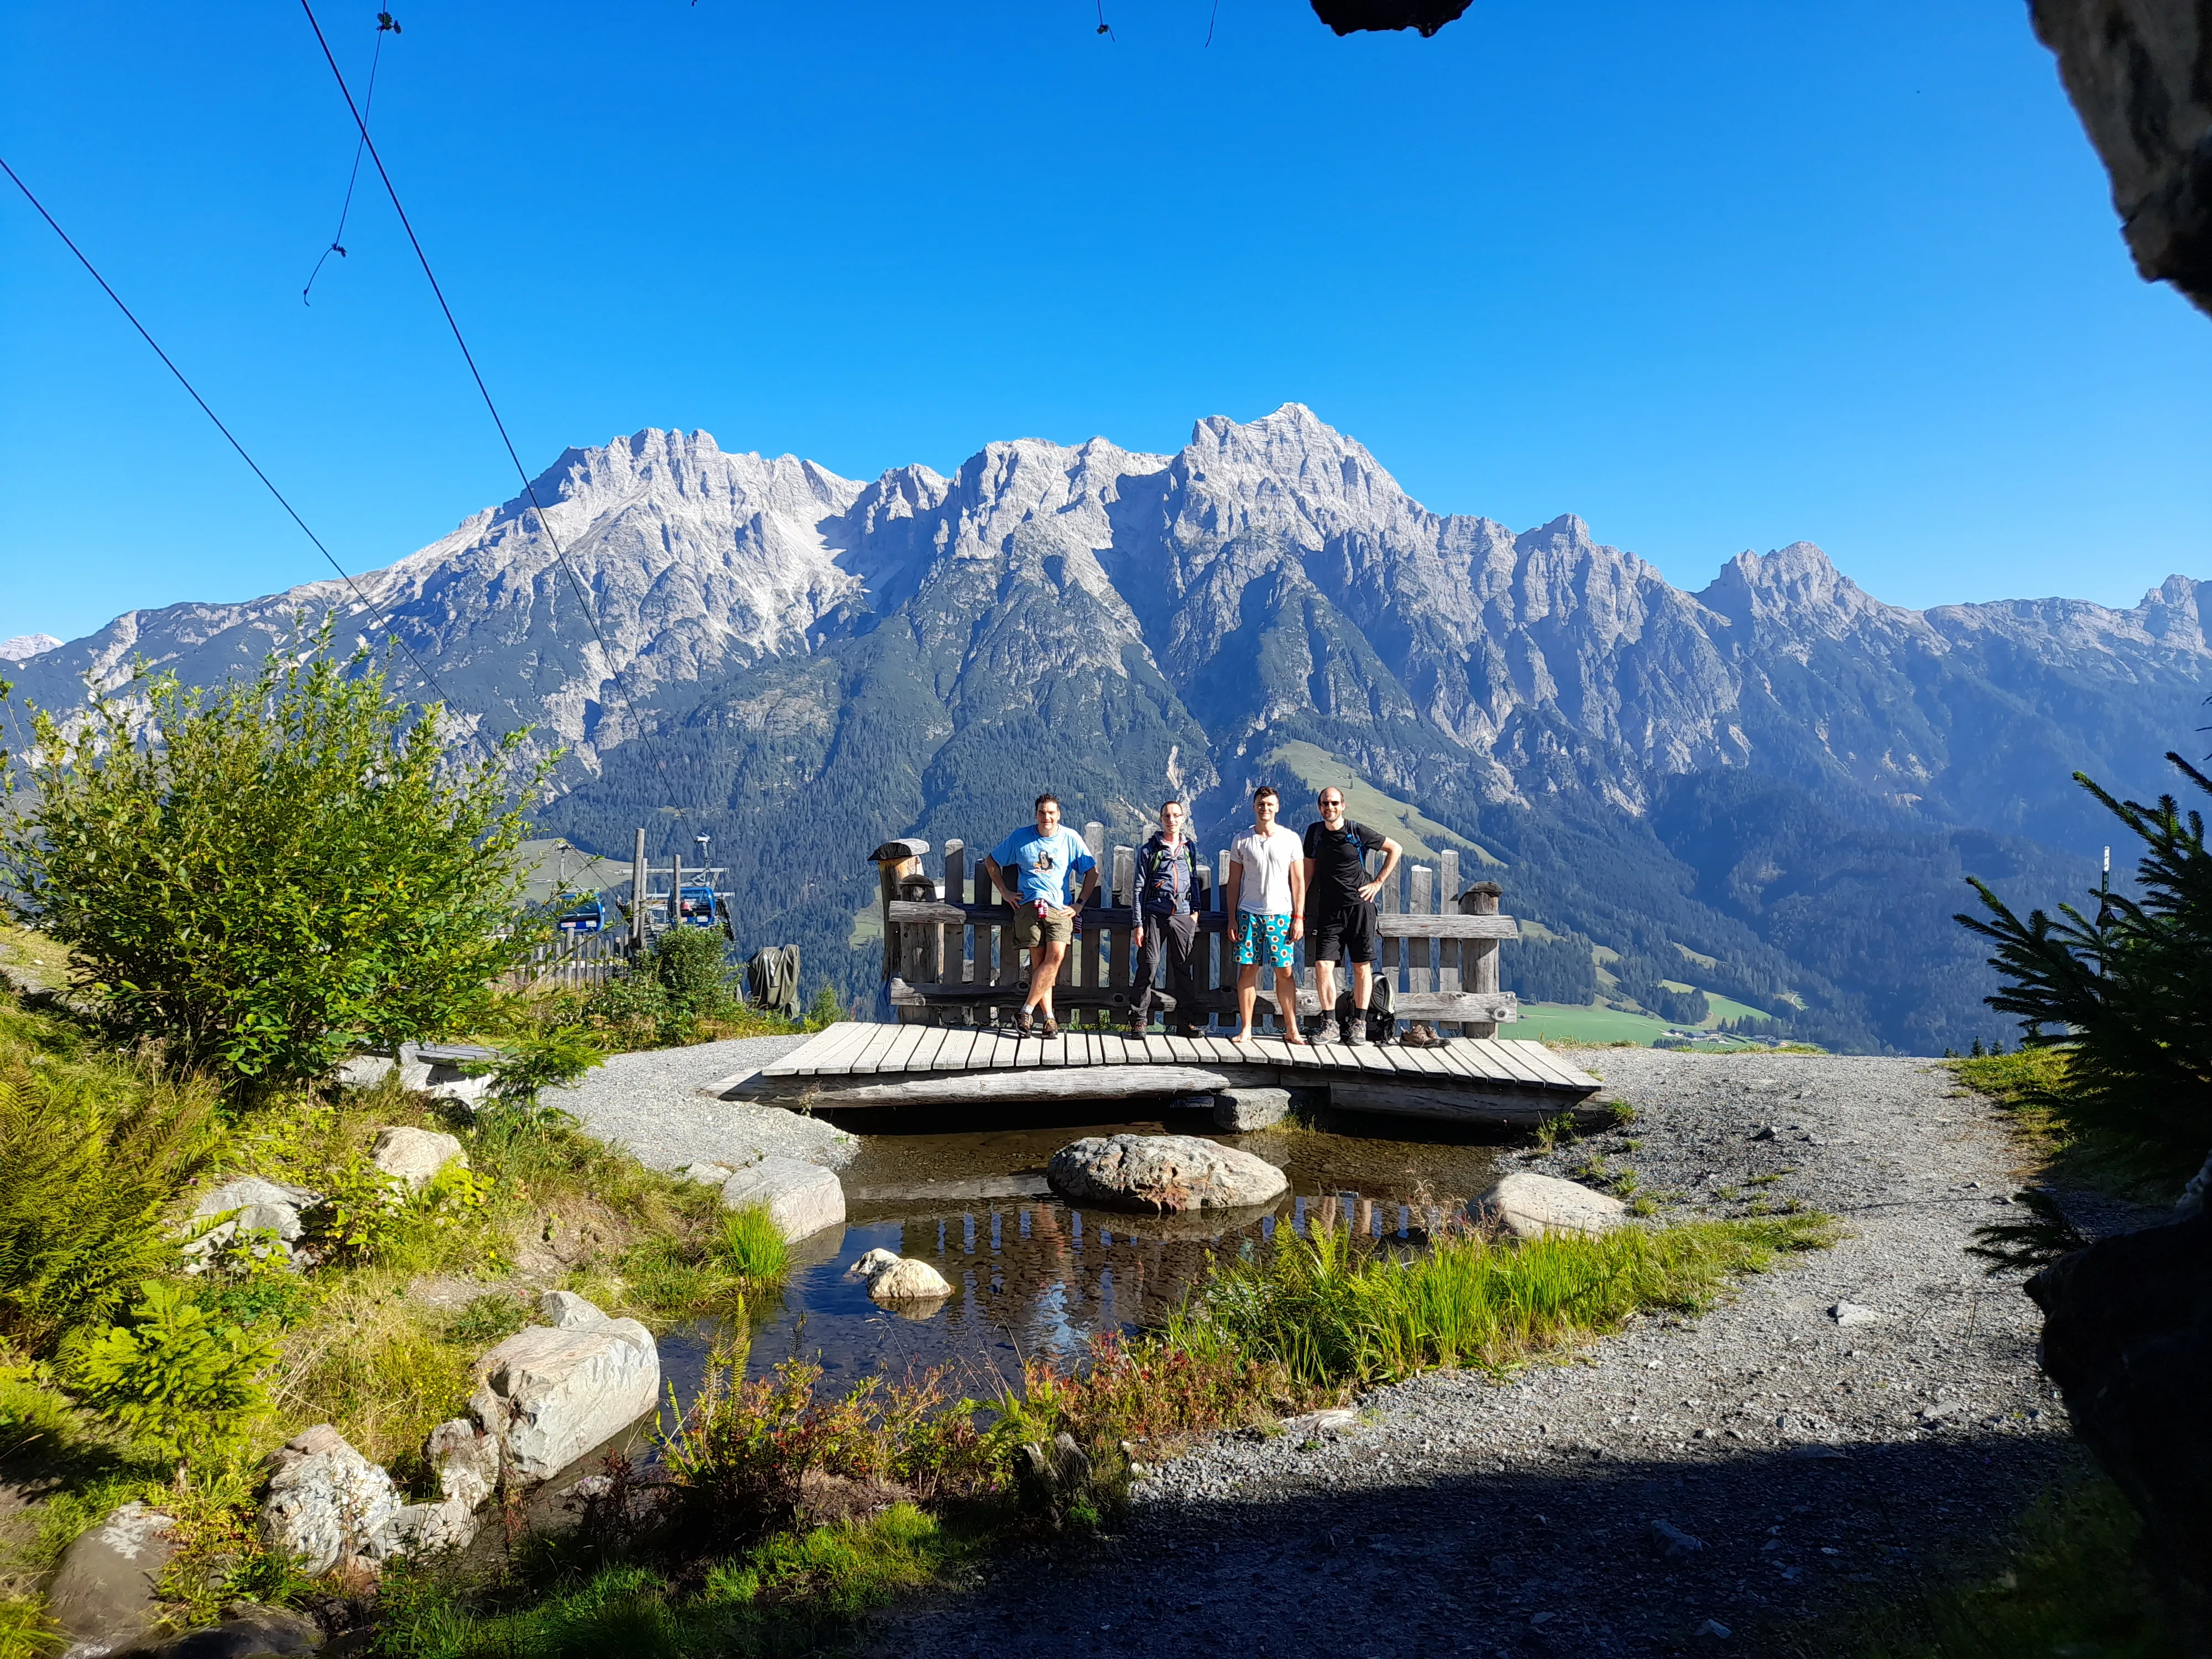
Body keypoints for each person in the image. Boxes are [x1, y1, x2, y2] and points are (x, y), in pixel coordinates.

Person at [982, 794, 1098, 1037]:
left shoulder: (1070, 838)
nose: (1047, 817)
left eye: (1051, 812)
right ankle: (1049, 1019)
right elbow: (991, 861)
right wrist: (1004, 891)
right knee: (1040, 965)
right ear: (1036, 815)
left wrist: (1079, 905)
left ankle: (1025, 1010)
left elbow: (1092, 872)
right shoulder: (1020, 838)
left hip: (1059, 909)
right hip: (1029, 907)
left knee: (1054, 959)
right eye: (1042, 813)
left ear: (1059, 815)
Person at [1302, 787, 1401, 1045]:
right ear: (1319, 806)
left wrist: (1378, 883)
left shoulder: (1358, 832)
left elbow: (1395, 849)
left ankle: (1359, 1024)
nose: (1330, 807)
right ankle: (1330, 1024)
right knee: (1323, 966)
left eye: (1334, 803)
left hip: (1360, 908)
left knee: (1361, 967)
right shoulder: (1315, 833)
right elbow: (1308, 871)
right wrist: (1299, 905)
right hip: (1329, 911)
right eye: (1325, 803)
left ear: (1343, 806)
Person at [1225, 785, 1308, 1045]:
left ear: (1278, 808)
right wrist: (1232, 918)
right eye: (1261, 804)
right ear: (1254, 807)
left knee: (1284, 971)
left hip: (1281, 914)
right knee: (1248, 969)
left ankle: (1292, 1028)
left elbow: (1298, 881)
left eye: (1270, 804)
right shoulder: (1241, 840)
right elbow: (1234, 883)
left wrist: (1299, 917)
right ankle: (1247, 1028)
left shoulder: (1291, 839)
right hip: (1248, 913)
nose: (1265, 809)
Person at [1129, 797, 1206, 1037]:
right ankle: (1139, 1020)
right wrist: (1138, 924)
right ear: (1160, 820)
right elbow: (1138, 889)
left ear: (1183, 819)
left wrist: (1195, 912)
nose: (1171, 820)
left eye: (1176, 816)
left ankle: (1186, 1022)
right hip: (1154, 915)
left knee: (1183, 969)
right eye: (1167, 816)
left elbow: (1194, 880)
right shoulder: (1149, 851)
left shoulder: (1189, 848)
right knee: (1148, 967)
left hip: (1183, 915)